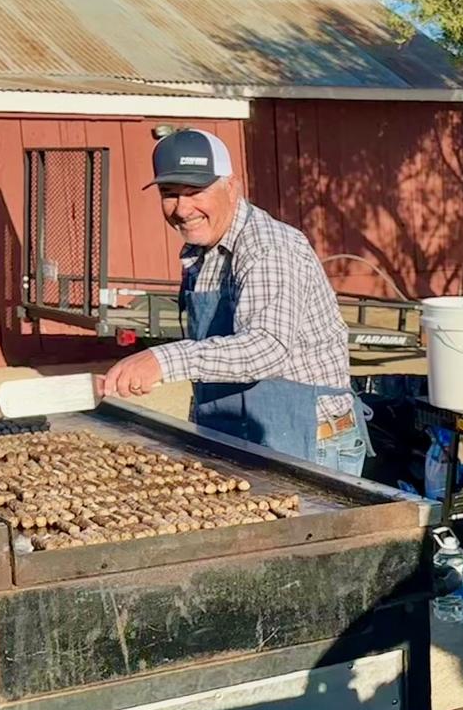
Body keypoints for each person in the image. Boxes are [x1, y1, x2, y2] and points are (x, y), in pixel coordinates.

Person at [99, 129, 368, 472]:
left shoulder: (268, 247)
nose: (182, 209)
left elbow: (267, 347)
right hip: (240, 433)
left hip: (307, 440)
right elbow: (215, 352)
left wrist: (163, 360)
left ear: (232, 186)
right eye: (170, 194)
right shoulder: (201, 250)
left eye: (196, 192)